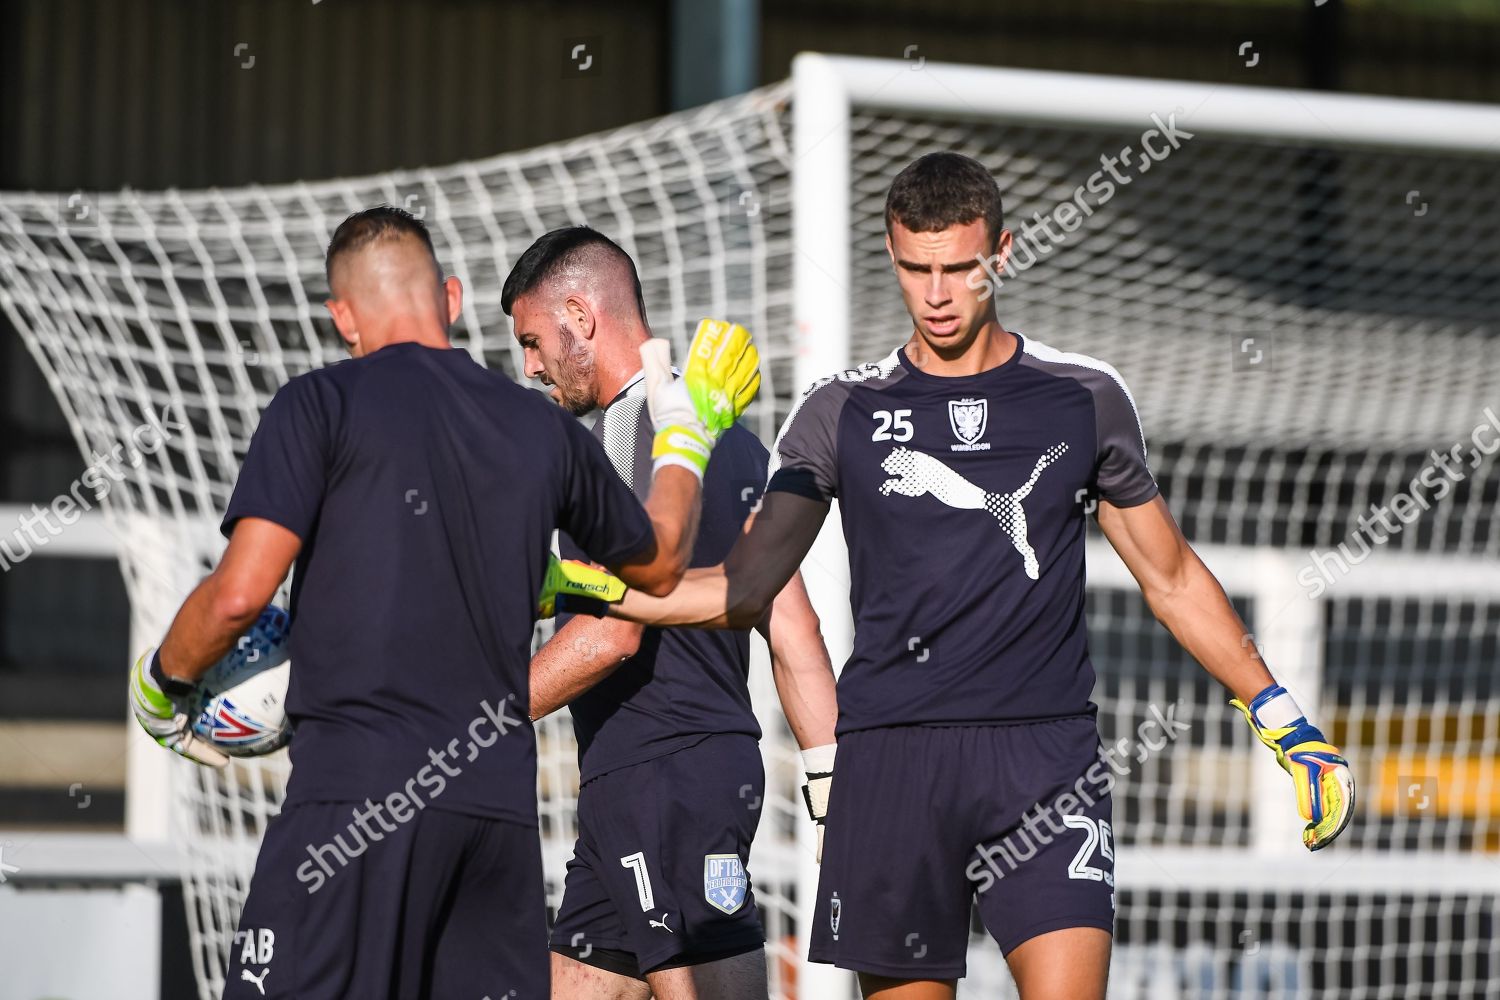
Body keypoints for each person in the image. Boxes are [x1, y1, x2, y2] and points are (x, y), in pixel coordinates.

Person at [576, 153, 1355, 1000]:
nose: (937, 294)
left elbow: (1169, 578)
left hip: (1044, 759)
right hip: (893, 766)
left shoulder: (1082, 396)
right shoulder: (840, 409)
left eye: (959, 269)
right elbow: (745, 586)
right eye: (916, 269)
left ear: (1004, 252)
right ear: (891, 255)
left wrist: (1285, 721)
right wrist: (587, 587)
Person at [126, 205, 760, 999]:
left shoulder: (318, 404)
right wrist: (683, 428)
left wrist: (162, 683)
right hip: (493, 819)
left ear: (342, 316)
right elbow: (662, 562)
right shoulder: (542, 431)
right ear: (452, 300)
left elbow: (238, 596)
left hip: (356, 800)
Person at [502, 226, 840, 1000]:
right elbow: (796, 632)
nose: (529, 367)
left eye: (531, 340)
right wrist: (832, 798)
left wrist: (477, 716)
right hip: (663, 775)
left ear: (581, 317)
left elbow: (614, 633)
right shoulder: (737, 444)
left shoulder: (621, 436)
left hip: (665, 777)